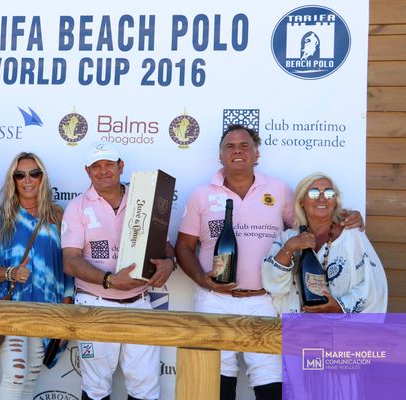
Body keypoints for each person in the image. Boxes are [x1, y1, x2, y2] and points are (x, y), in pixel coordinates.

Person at [175, 124, 363, 400]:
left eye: (244, 146)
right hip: (213, 300)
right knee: (215, 381)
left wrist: (347, 218)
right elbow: (183, 247)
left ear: (257, 154)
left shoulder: (279, 190)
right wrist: (202, 279)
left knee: (270, 379)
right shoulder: (201, 194)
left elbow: (309, 228)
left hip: (265, 300)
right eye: (229, 146)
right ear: (220, 156)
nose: (237, 151)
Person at [62, 142, 176, 400]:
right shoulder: (77, 207)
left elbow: (166, 247)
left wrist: (170, 262)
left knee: (145, 389)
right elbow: (70, 261)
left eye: (109, 165)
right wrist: (110, 280)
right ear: (87, 171)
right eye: (96, 166)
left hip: (140, 304)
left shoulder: (143, 199)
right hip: (94, 305)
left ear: (120, 166)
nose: (103, 171)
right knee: (96, 388)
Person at [0, 152, 74, 400]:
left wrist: (66, 309)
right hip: (11, 309)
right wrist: (11, 272)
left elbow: (69, 267)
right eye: (20, 175)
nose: (28, 180)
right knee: (16, 375)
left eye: (34, 173)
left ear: (43, 177)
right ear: (13, 179)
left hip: (47, 309)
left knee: (32, 374)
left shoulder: (58, 216)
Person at [261, 172, 388, 314]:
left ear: (335, 201)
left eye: (329, 193)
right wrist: (291, 247)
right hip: (299, 330)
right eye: (314, 193)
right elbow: (273, 285)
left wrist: (340, 307)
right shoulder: (287, 238)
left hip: (341, 330)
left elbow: (373, 283)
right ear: (302, 201)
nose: (322, 198)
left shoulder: (351, 235)